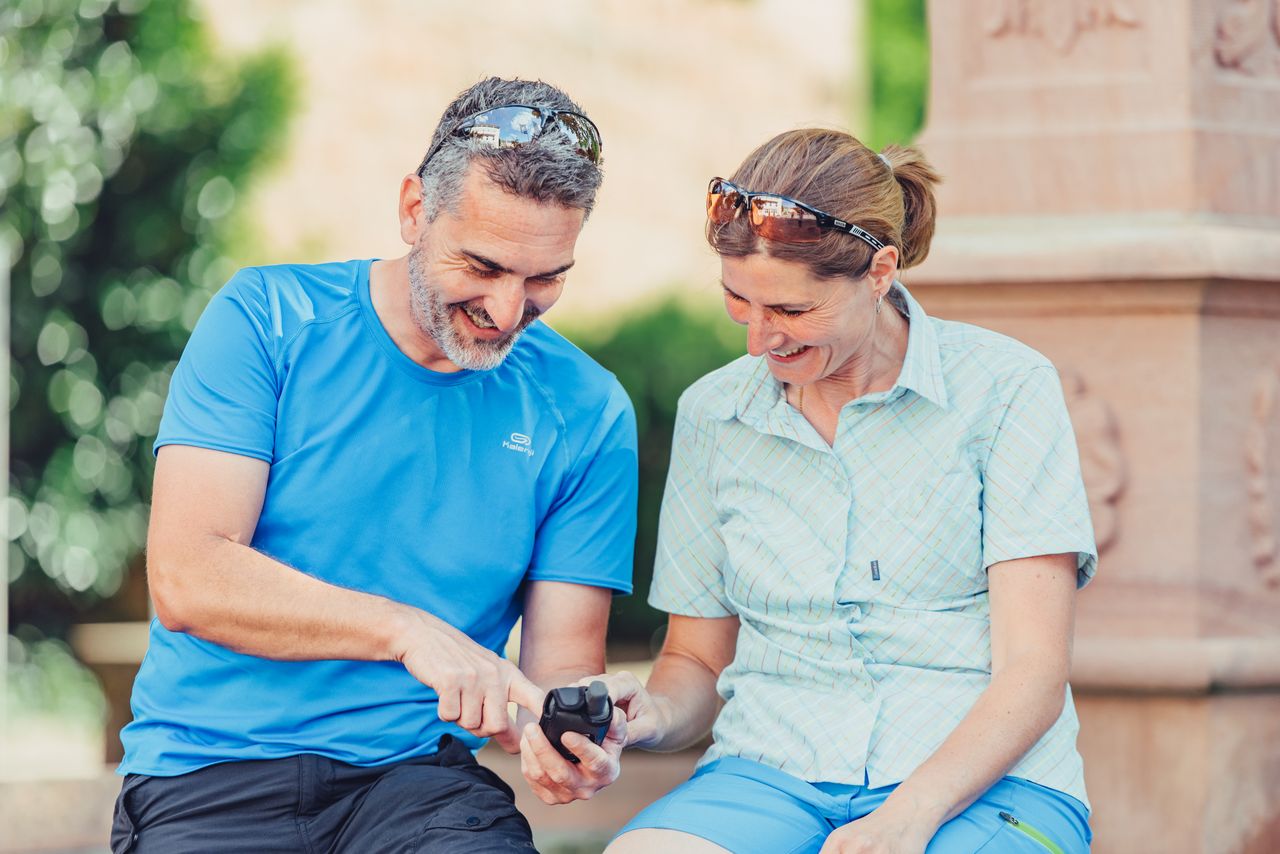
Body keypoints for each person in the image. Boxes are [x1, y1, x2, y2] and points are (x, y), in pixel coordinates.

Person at [110, 77, 637, 853]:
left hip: (418, 785)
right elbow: (189, 578)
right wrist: (402, 630)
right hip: (209, 775)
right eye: (483, 267)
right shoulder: (266, 321)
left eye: (545, 278)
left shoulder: (588, 411)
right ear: (414, 210)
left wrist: (560, 743)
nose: (506, 311)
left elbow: (553, 677)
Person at [537, 129, 1097, 853]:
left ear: (879, 271)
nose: (759, 340)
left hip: (986, 783)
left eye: (793, 312)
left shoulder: (1006, 389)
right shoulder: (715, 413)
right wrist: (648, 713)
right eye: (739, 301)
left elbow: (1034, 673)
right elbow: (699, 661)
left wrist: (909, 816)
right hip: (769, 772)